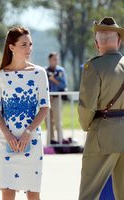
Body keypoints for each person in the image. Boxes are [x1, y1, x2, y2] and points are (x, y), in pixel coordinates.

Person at [0, 27, 50, 200]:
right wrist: (8, 135)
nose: (29, 48)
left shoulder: (39, 73)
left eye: (30, 44)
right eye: (24, 44)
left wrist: (28, 132)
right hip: (5, 141)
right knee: (7, 193)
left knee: (33, 193)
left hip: (31, 141)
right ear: (11, 47)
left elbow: (44, 107)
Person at [78, 17, 124, 200]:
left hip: (102, 134)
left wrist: (86, 125)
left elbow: (86, 107)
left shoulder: (94, 66)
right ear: (119, 41)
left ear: (97, 44)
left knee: (89, 193)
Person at [46, 52, 67, 144]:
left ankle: (60, 141)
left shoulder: (60, 71)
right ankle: (51, 141)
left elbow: (64, 85)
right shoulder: (45, 71)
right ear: (50, 60)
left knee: (58, 120)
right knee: (48, 121)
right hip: (47, 99)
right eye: (54, 59)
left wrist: (53, 79)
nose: (56, 61)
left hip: (56, 98)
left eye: (57, 59)